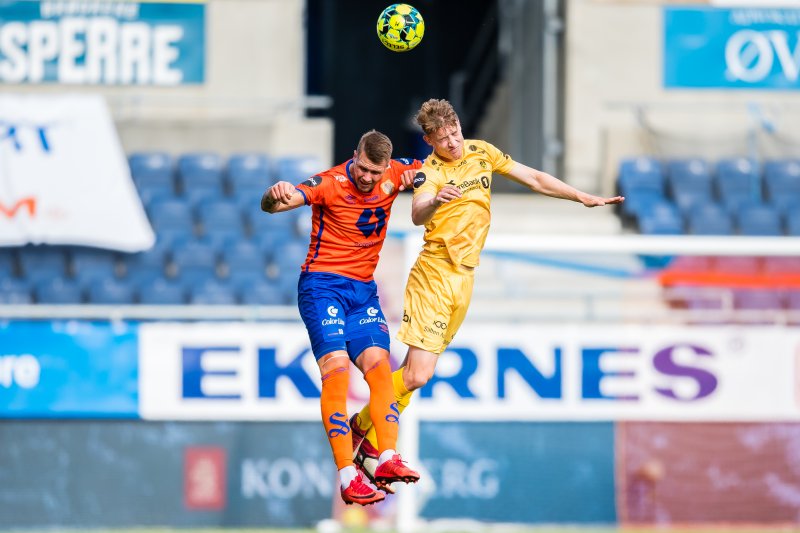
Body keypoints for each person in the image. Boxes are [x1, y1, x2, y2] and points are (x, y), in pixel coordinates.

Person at [350, 98, 625, 481]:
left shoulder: (481, 152)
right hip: (435, 274)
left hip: (465, 277)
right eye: (443, 138)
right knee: (416, 375)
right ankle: (362, 428)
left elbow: (534, 178)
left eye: (455, 132)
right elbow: (416, 212)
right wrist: (434, 203)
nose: (453, 143)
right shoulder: (430, 172)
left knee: (415, 374)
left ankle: (369, 436)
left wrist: (581, 196)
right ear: (429, 140)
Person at [261, 130, 423, 506]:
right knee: (335, 371)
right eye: (363, 168)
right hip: (322, 287)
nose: (368, 177)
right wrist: (274, 195)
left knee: (380, 369)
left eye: (375, 171)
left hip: (363, 292)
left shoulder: (395, 175)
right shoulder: (328, 183)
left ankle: (386, 457)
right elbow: (275, 205)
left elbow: (431, 172)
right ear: (354, 155)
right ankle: (348, 475)